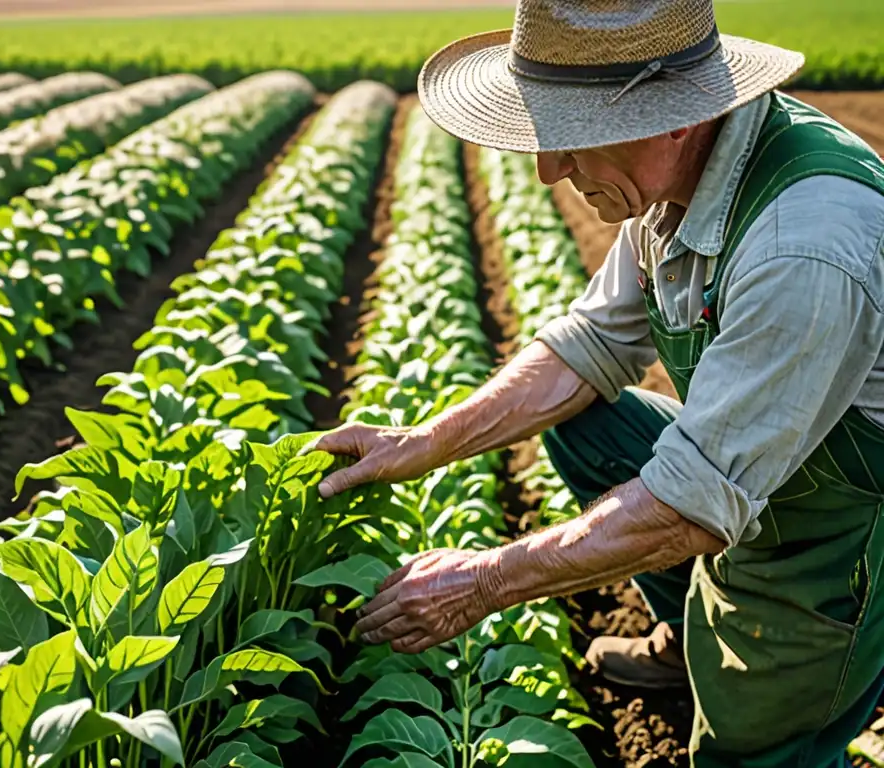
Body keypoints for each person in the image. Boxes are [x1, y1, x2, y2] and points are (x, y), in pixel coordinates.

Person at [308, 1, 884, 766]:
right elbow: (586, 349)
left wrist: (482, 582)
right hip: (756, 474)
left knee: (747, 752)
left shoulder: (803, 248)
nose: (548, 169)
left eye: (568, 136)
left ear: (674, 118)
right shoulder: (680, 178)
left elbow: (690, 506)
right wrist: (423, 444)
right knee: (591, 426)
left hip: (840, 529)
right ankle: (691, 639)